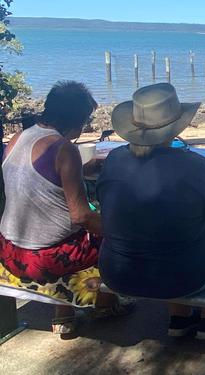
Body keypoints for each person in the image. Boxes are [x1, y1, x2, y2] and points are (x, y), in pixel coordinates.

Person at [96, 83, 205, 341]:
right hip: (182, 276)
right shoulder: (193, 164)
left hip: (117, 274)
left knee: (166, 238)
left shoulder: (114, 160)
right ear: (176, 127)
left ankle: (180, 318)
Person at [0, 81, 134, 335]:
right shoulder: (64, 149)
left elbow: (36, 184)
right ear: (76, 121)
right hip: (42, 258)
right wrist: (124, 232)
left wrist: (82, 172)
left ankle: (64, 315)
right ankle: (104, 303)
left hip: (10, 249)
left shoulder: (17, 139)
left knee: (74, 230)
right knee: (109, 237)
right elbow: (81, 216)